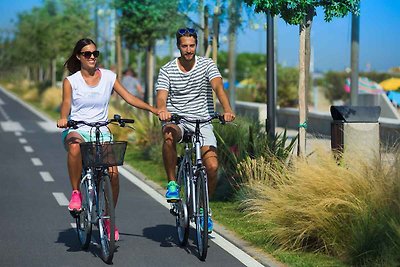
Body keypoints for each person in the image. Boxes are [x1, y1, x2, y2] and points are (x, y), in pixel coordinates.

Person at [57, 38, 159, 241]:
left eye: (95, 53)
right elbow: (66, 104)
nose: (92, 57)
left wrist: (153, 109)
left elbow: (129, 97)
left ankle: (108, 216)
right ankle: (76, 192)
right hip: (78, 129)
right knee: (75, 146)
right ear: (79, 56)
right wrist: (62, 118)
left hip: (102, 131)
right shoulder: (71, 81)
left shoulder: (109, 77)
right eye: (87, 54)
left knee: (112, 174)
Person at [156, 28, 235, 233]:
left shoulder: (207, 65)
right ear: (178, 46)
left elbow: (218, 88)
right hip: (178, 120)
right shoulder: (167, 70)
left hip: (203, 120)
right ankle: (172, 183)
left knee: (212, 166)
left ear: (196, 45)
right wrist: (163, 110)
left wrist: (227, 109)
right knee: (168, 135)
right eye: (184, 46)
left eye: (192, 45)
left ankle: (204, 210)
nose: (188, 50)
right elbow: (162, 96)